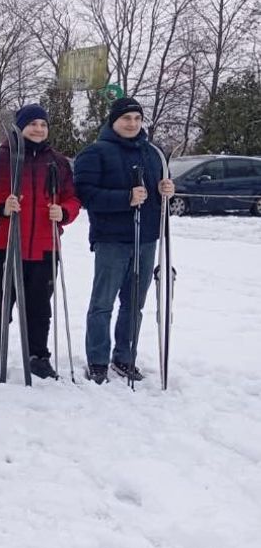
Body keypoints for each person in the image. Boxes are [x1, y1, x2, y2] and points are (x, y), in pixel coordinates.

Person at [0, 104, 81, 383]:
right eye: (32, 124)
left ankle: (38, 356)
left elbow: (72, 199)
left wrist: (64, 212)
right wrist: (0, 207)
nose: (38, 129)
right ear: (20, 126)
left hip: (44, 246)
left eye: (43, 124)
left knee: (40, 307)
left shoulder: (58, 162)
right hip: (4, 244)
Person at [73, 95, 174, 384]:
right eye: (126, 118)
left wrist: (165, 190)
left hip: (146, 239)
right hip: (111, 239)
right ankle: (97, 360)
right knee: (103, 303)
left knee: (134, 305)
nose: (132, 123)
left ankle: (125, 356)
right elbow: (86, 194)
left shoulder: (153, 153)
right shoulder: (95, 153)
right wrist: (125, 198)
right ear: (113, 121)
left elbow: (155, 197)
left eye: (137, 118)